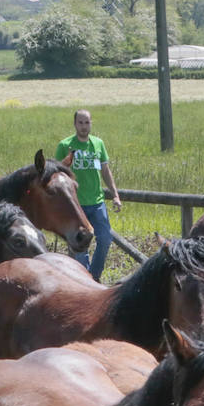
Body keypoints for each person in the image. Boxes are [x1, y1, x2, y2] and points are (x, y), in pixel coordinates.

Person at [55, 109, 121, 281]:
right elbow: (56, 173)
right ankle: (84, 280)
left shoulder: (98, 144)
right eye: (80, 123)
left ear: (91, 123)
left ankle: (93, 277)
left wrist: (115, 195)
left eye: (87, 123)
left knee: (105, 238)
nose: (84, 126)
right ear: (75, 124)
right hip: (76, 204)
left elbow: (105, 171)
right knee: (80, 245)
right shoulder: (65, 145)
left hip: (97, 201)